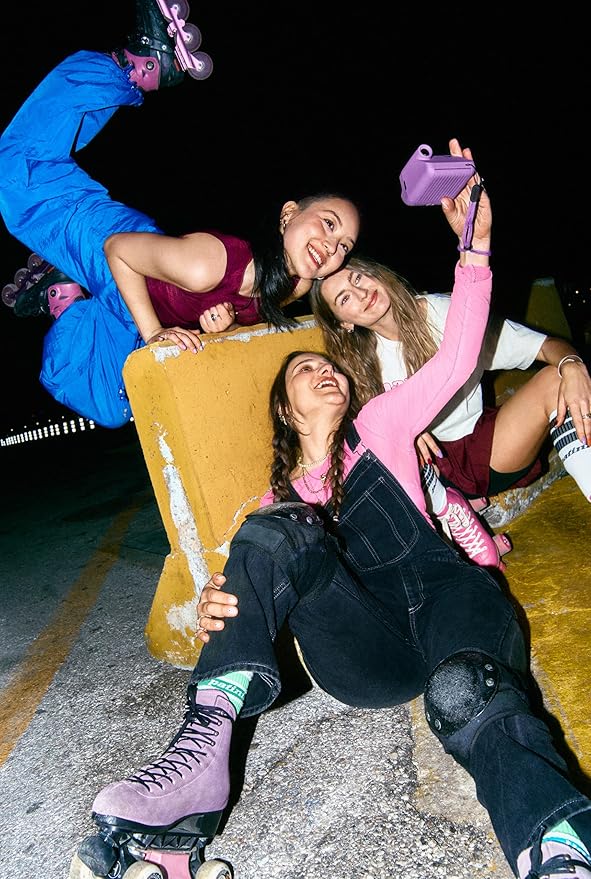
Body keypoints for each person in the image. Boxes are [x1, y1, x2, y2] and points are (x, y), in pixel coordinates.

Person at [70, 155, 591, 879]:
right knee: (272, 528)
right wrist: (227, 593)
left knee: (467, 692)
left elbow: (454, 357)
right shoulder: (279, 506)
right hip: (369, 654)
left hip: (449, 599)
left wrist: (473, 248)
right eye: (303, 371)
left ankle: (557, 847)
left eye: (329, 367)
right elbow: (255, 566)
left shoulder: (381, 425)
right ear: (286, 410)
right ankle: (196, 765)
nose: (325, 371)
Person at [0, 0, 360, 429]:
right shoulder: (210, 263)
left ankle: (64, 293)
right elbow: (118, 250)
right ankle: (132, 66)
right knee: (17, 177)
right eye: (329, 224)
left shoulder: (293, 285)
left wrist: (223, 326)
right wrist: (154, 334)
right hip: (113, 250)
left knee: (108, 403)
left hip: (128, 302)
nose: (332, 247)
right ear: (288, 215)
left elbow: (333, 297)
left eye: (344, 246)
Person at [308, 248, 591, 556]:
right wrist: (401, 434)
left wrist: (573, 363)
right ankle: (454, 517)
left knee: (557, 378)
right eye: (344, 299)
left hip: (486, 448)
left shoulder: (444, 313)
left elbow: (545, 346)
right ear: (343, 323)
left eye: (358, 278)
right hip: (430, 474)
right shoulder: (357, 365)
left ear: (377, 273)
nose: (361, 294)